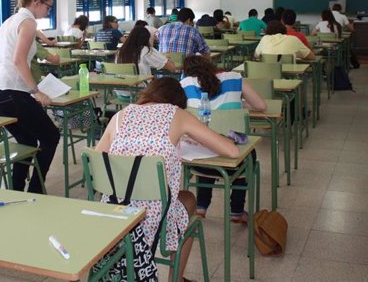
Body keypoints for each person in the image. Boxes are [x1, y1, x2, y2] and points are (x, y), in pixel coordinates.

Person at [96, 78, 239, 281]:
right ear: (177, 101)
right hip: (153, 219)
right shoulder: (176, 114)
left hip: (114, 214)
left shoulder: (119, 116)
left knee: (177, 197)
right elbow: (231, 151)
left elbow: (98, 161)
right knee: (188, 199)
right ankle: (176, 278)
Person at [0, 0, 60, 194]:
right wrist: (36, 92)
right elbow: (18, 61)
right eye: (48, 7)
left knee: (26, 140)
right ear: (36, 2)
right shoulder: (28, 22)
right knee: (51, 136)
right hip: (9, 91)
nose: (48, 11)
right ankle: (36, 189)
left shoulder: (11, 21)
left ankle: (17, 189)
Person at [180, 56, 266, 222]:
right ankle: (237, 210)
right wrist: (242, 105)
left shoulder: (184, 85)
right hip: (236, 159)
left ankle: (201, 205)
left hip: (199, 161)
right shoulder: (234, 77)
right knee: (247, 151)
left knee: (207, 144)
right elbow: (261, 106)